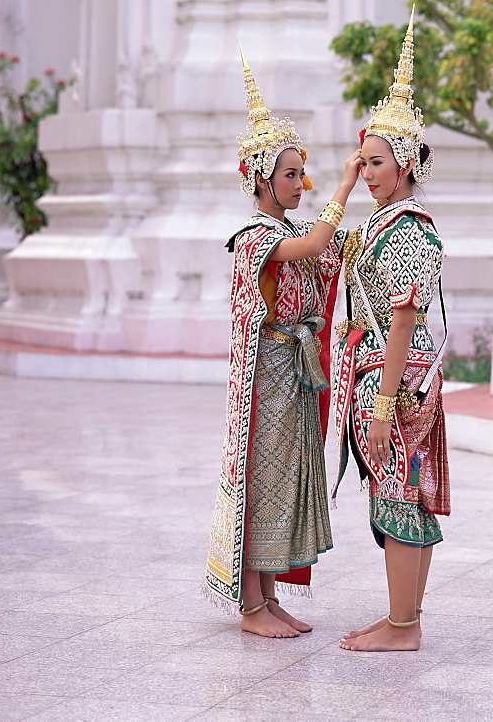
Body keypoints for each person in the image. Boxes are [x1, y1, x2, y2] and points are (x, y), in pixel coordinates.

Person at [205, 48, 361, 638]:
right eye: (291, 175)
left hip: (292, 368)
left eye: (303, 174)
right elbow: (314, 248)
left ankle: (267, 597)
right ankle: (249, 607)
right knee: (261, 479)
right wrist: (345, 189)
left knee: (286, 477)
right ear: (262, 181)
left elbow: (322, 263)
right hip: (267, 372)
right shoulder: (253, 237)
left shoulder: (289, 230)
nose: (303, 184)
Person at [333, 10, 450, 652]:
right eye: (363, 161)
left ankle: (401, 625)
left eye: (376, 163)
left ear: (404, 167)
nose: (367, 172)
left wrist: (381, 403)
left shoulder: (408, 228)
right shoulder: (382, 225)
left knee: (402, 494)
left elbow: (403, 313)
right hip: (386, 371)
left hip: (396, 378)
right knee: (404, 493)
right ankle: (404, 618)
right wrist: (346, 187)